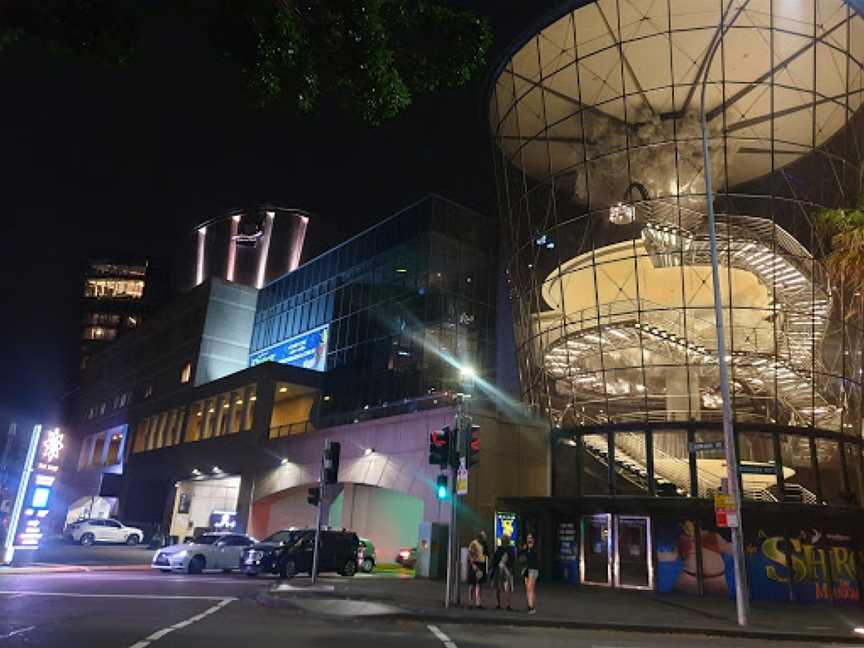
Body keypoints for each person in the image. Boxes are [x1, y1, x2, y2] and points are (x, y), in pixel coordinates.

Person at [490, 534, 516, 610]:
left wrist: (493, 568)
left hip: (498, 570)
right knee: (507, 588)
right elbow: (513, 560)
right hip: (507, 570)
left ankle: (498, 604)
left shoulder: (498, 549)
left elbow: (494, 560)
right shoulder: (511, 549)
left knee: (497, 588)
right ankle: (508, 605)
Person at [467, 531, 487, 609]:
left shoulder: (484, 544)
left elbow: (485, 554)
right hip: (475, 564)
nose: (485, 538)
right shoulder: (474, 544)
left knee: (479, 583)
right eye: (484, 536)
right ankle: (470, 602)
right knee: (472, 584)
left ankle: (478, 602)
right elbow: (470, 554)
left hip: (481, 564)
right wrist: (473, 564)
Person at [521, 533, 539, 614]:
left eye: (531, 538)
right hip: (526, 569)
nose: (529, 539)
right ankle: (529, 605)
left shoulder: (535, 548)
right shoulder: (526, 548)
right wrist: (524, 549)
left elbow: (534, 558)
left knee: (530, 588)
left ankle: (531, 607)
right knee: (528, 589)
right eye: (528, 538)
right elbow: (522, 555)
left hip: (533, 569)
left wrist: (530, 549)